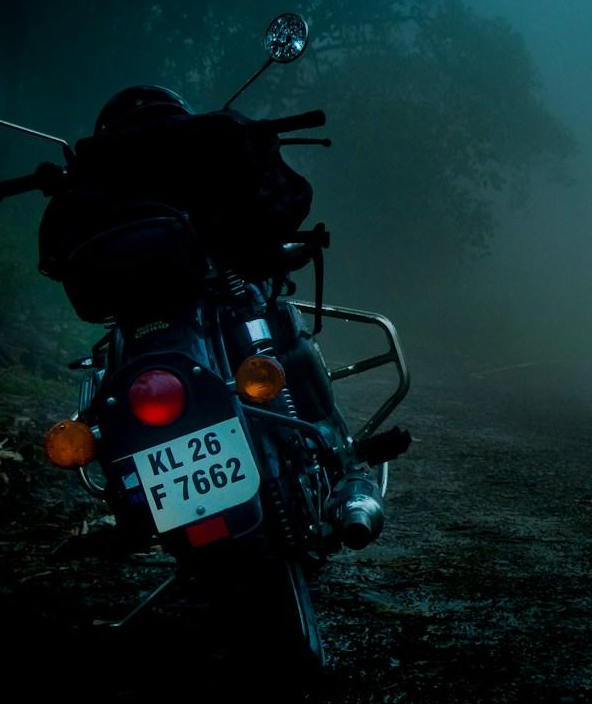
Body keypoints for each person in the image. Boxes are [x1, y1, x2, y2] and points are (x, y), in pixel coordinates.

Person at [48, 84, 400, 548]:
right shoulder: (213, 149)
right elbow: (281, 206)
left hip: (145, 333)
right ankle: (345, 463)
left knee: (126, 377)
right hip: (195, 325)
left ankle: (135, 504)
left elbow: (58, 261)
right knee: (278, 326)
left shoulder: (94, 190)